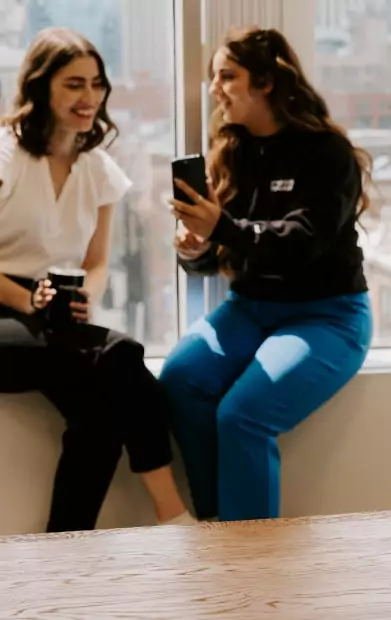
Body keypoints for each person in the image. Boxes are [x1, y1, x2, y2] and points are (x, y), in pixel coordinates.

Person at [160, 27, 373, 523]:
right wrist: (196, 246)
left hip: (327, 316)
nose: (214, 89)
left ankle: (253, 561)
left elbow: (302, 242)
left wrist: (224, 228)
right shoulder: (234, 152)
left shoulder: (327, 153)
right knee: (179, 378)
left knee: (242, 416)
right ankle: (219, 528)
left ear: (267, 82)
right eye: (215, 77)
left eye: (226, 76)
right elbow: (219, 254)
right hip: (251, 308)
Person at [0, 27, 195, 532]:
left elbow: (97, 260)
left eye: (96, 83)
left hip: (48, 317)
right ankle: (173, 516)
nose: (89, 98)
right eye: (73, 84)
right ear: (41, 87)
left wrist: (87, 294)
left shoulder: (98, 169)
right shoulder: (6, 156)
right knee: (120, 357)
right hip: (7, 309)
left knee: (101, 418)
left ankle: (65, 554)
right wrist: (26, 300)